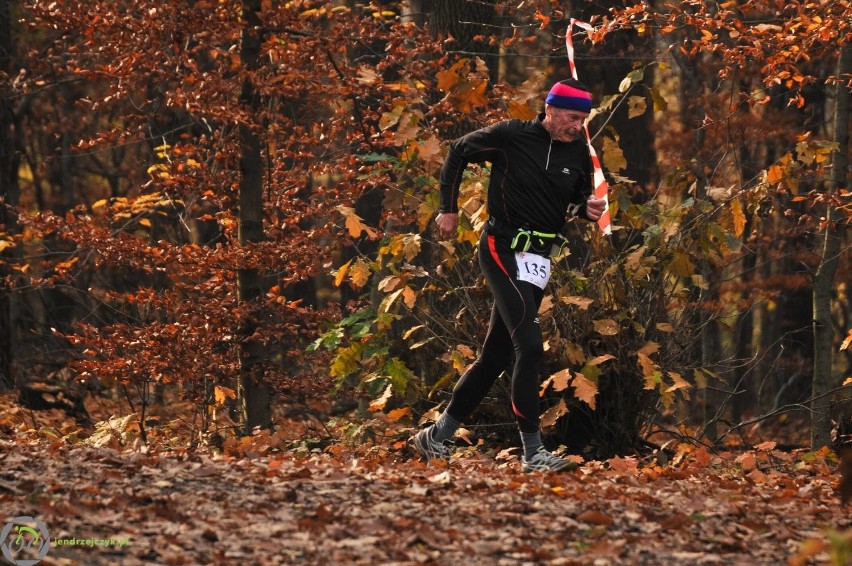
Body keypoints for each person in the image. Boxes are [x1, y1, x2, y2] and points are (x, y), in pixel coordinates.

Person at [414, 78, 607, 472]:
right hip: (502, 247)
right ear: (550, 110)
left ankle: (436, 437)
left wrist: (586, 209)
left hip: (539, 258)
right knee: (531, 348)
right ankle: (533, 453)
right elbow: (457, 151)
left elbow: (575, 202)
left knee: (495, 356)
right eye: (572, 117)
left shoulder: (579, 153)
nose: (577, 126)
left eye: (584, 119)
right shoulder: (511, 136)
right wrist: (447, 208)